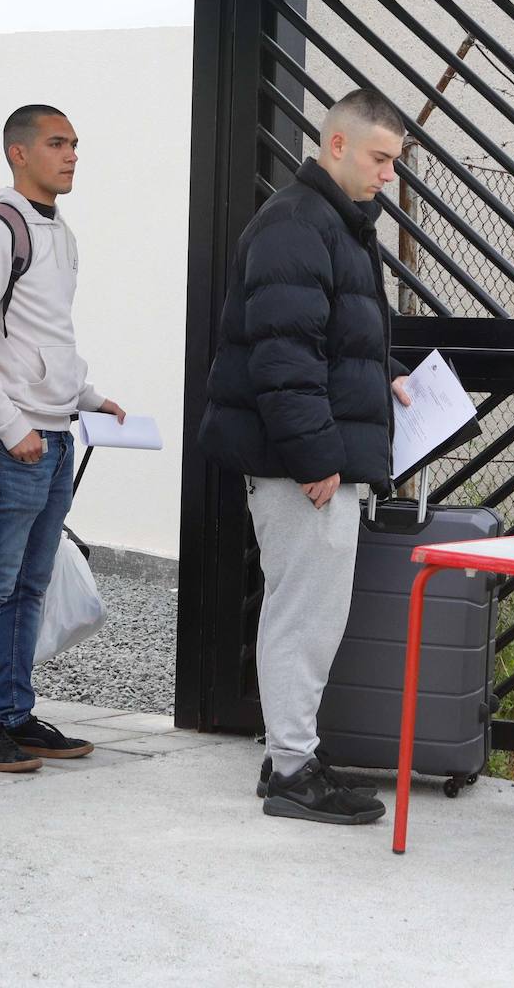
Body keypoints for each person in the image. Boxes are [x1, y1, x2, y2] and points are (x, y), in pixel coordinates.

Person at [198, 89, 413, 825]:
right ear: (337, 145)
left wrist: (379, 374)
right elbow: (281, 358)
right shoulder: (298, 224)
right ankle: (292, 770)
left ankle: (291, 753)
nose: (389, 175)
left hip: (312, 459)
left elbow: (321, 339)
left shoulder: (333, 223)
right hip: (307, 466)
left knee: (311, 612)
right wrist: (316, 455)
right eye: (381, 159)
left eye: (394, 162)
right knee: (303, 615)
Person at [0, 104, 125, 773]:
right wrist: (11, 427)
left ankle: (13, 715)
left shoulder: (61, 234)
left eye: (76, 144)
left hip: (54, 438)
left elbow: (47, 333)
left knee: (30, 587)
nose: (71, 155)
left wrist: (88, 398)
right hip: (12, 443)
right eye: (57, 143)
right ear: (18, 153)